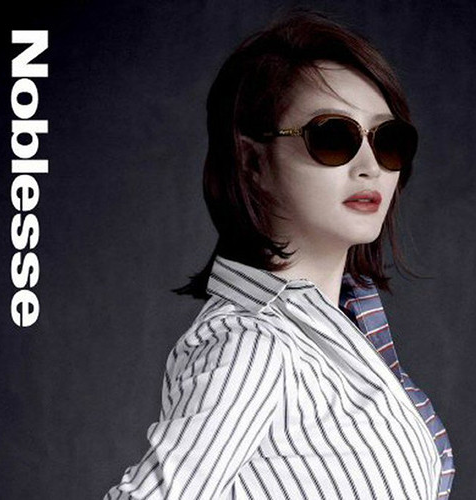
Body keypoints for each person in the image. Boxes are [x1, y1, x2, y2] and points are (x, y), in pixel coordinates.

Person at [104, 10, 454, 499]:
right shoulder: (253, 343)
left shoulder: (338, 335)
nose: (370, 166)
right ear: (253, 162)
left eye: (388, 141)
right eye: (333, 137)